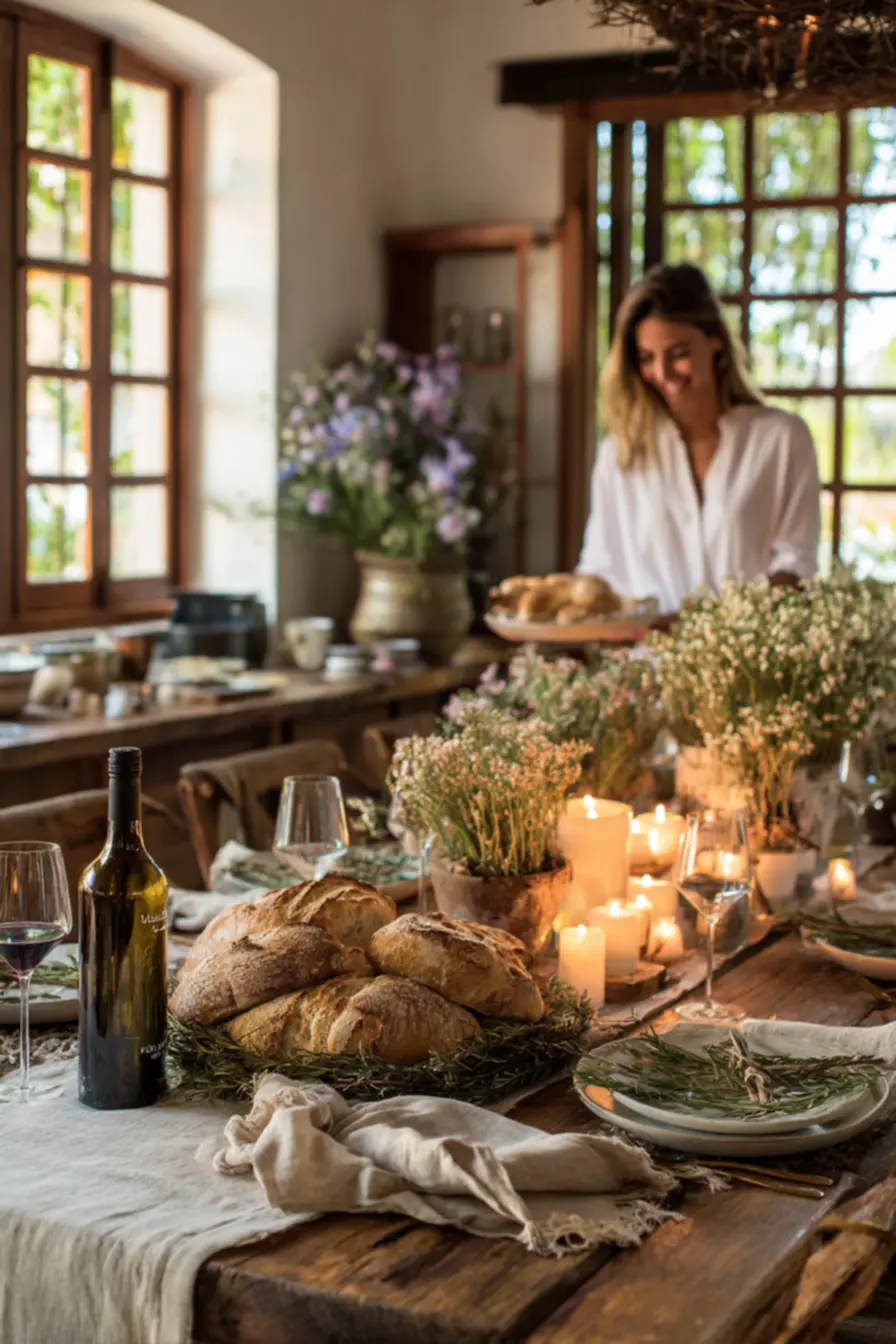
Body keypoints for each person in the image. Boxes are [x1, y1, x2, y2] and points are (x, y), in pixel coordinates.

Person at [578, 262, 821, 616]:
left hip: (749, 666)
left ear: (716, 339)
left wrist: (704, 630)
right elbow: (600, 567)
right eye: (647, 358)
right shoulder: (621, 452)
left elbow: (797, 565)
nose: (662, 374)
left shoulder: (781, 440)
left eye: (679, 353)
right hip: (642, 666)